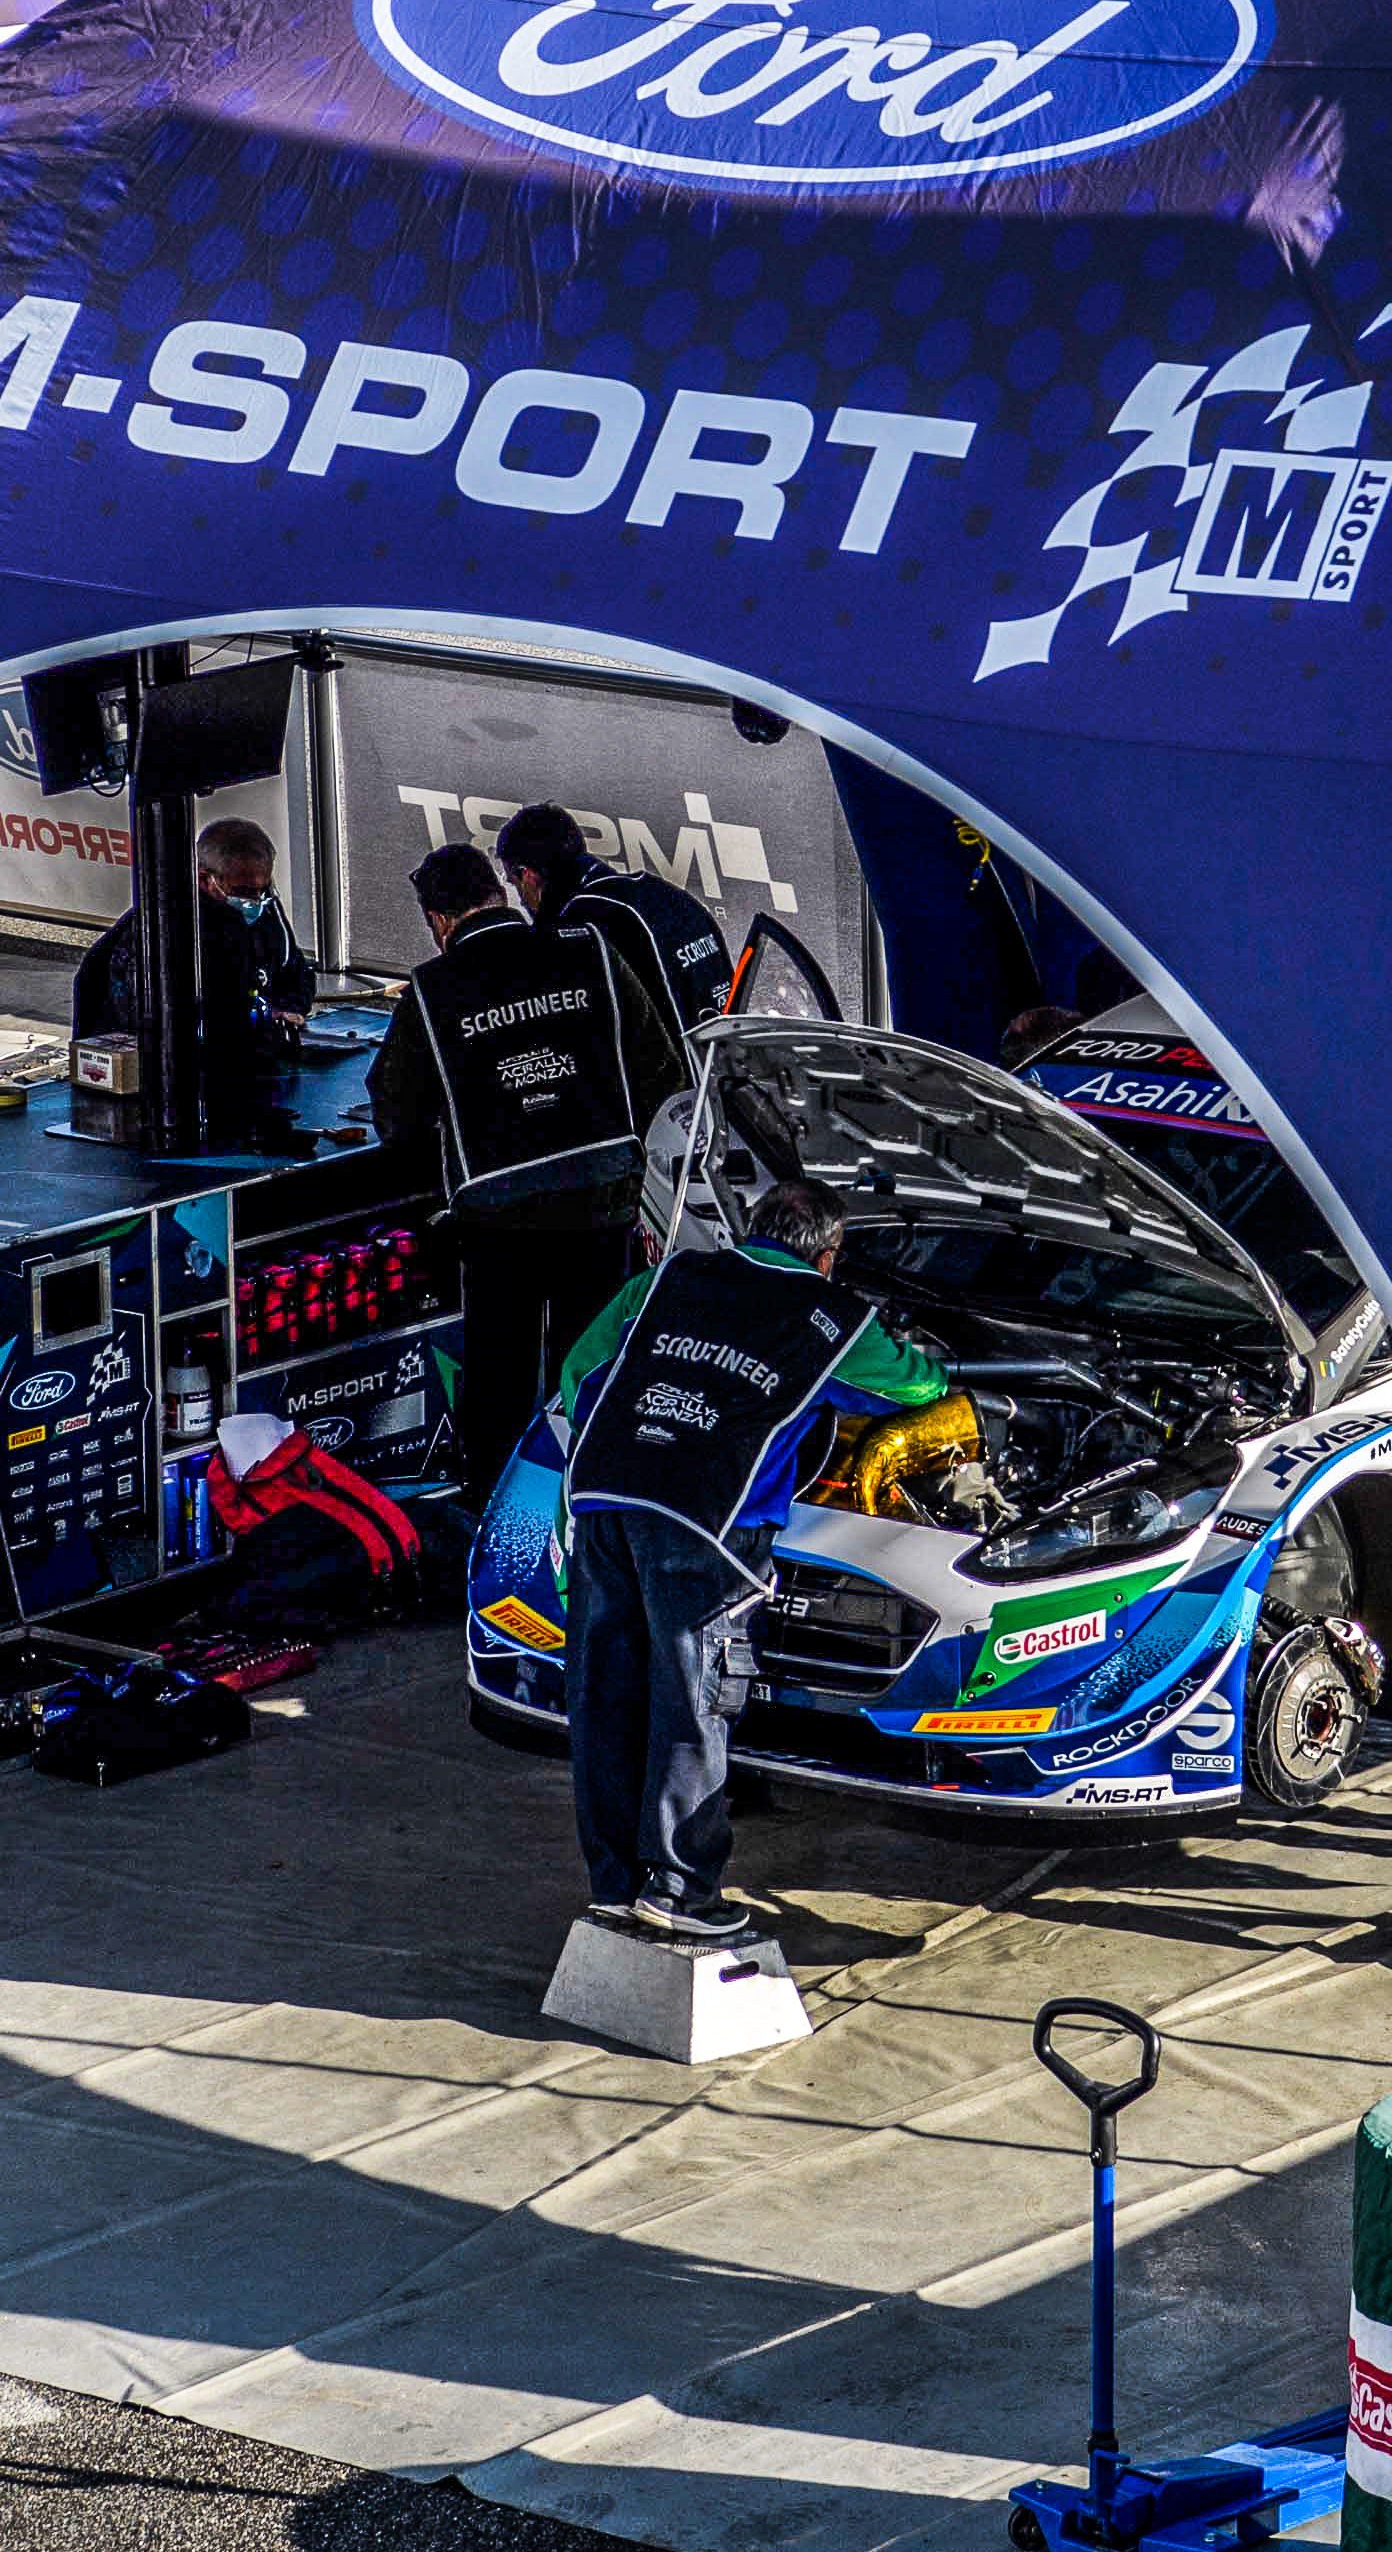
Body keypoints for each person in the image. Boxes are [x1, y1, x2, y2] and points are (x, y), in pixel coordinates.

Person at [539, 1177, 945, 1940]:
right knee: (693, 1701)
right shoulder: (832, 1315)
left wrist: (638, 1445)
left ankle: (616, 1887)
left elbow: (580, 1370)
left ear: (751, 1227)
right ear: (829, 1256)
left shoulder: (668, 1277)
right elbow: (915, 1385)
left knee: (607, 1698)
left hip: (605, 1496)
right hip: (707, 1524)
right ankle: (682, 1893)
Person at [370, 841, 688, 1495]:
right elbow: (662, 1070)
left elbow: (397, 1115)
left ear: (438, 919)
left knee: (500, 1380)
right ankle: (588, 1501)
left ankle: (496, 1510)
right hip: (603, 1198)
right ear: (499, 893)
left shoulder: (431, 990)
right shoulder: (590, 949)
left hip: (499, 1215)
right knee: (590, 1367)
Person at [73, 814, 314, 1146]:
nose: (256, 901)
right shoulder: (160, 931)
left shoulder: (266, 912)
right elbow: (151, 1024)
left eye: (263, 889)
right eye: (244, 891)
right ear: (205, 880)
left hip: (251, 1077)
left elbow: (296, 974)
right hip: (164, 1095)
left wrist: (287, 1009)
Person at [496, 801, 732, 1039]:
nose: (522, 900)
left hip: (679, 1060)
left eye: (514, 884)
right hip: (729, 1054)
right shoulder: (664, 895)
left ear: (527, 876)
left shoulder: (581, 922)